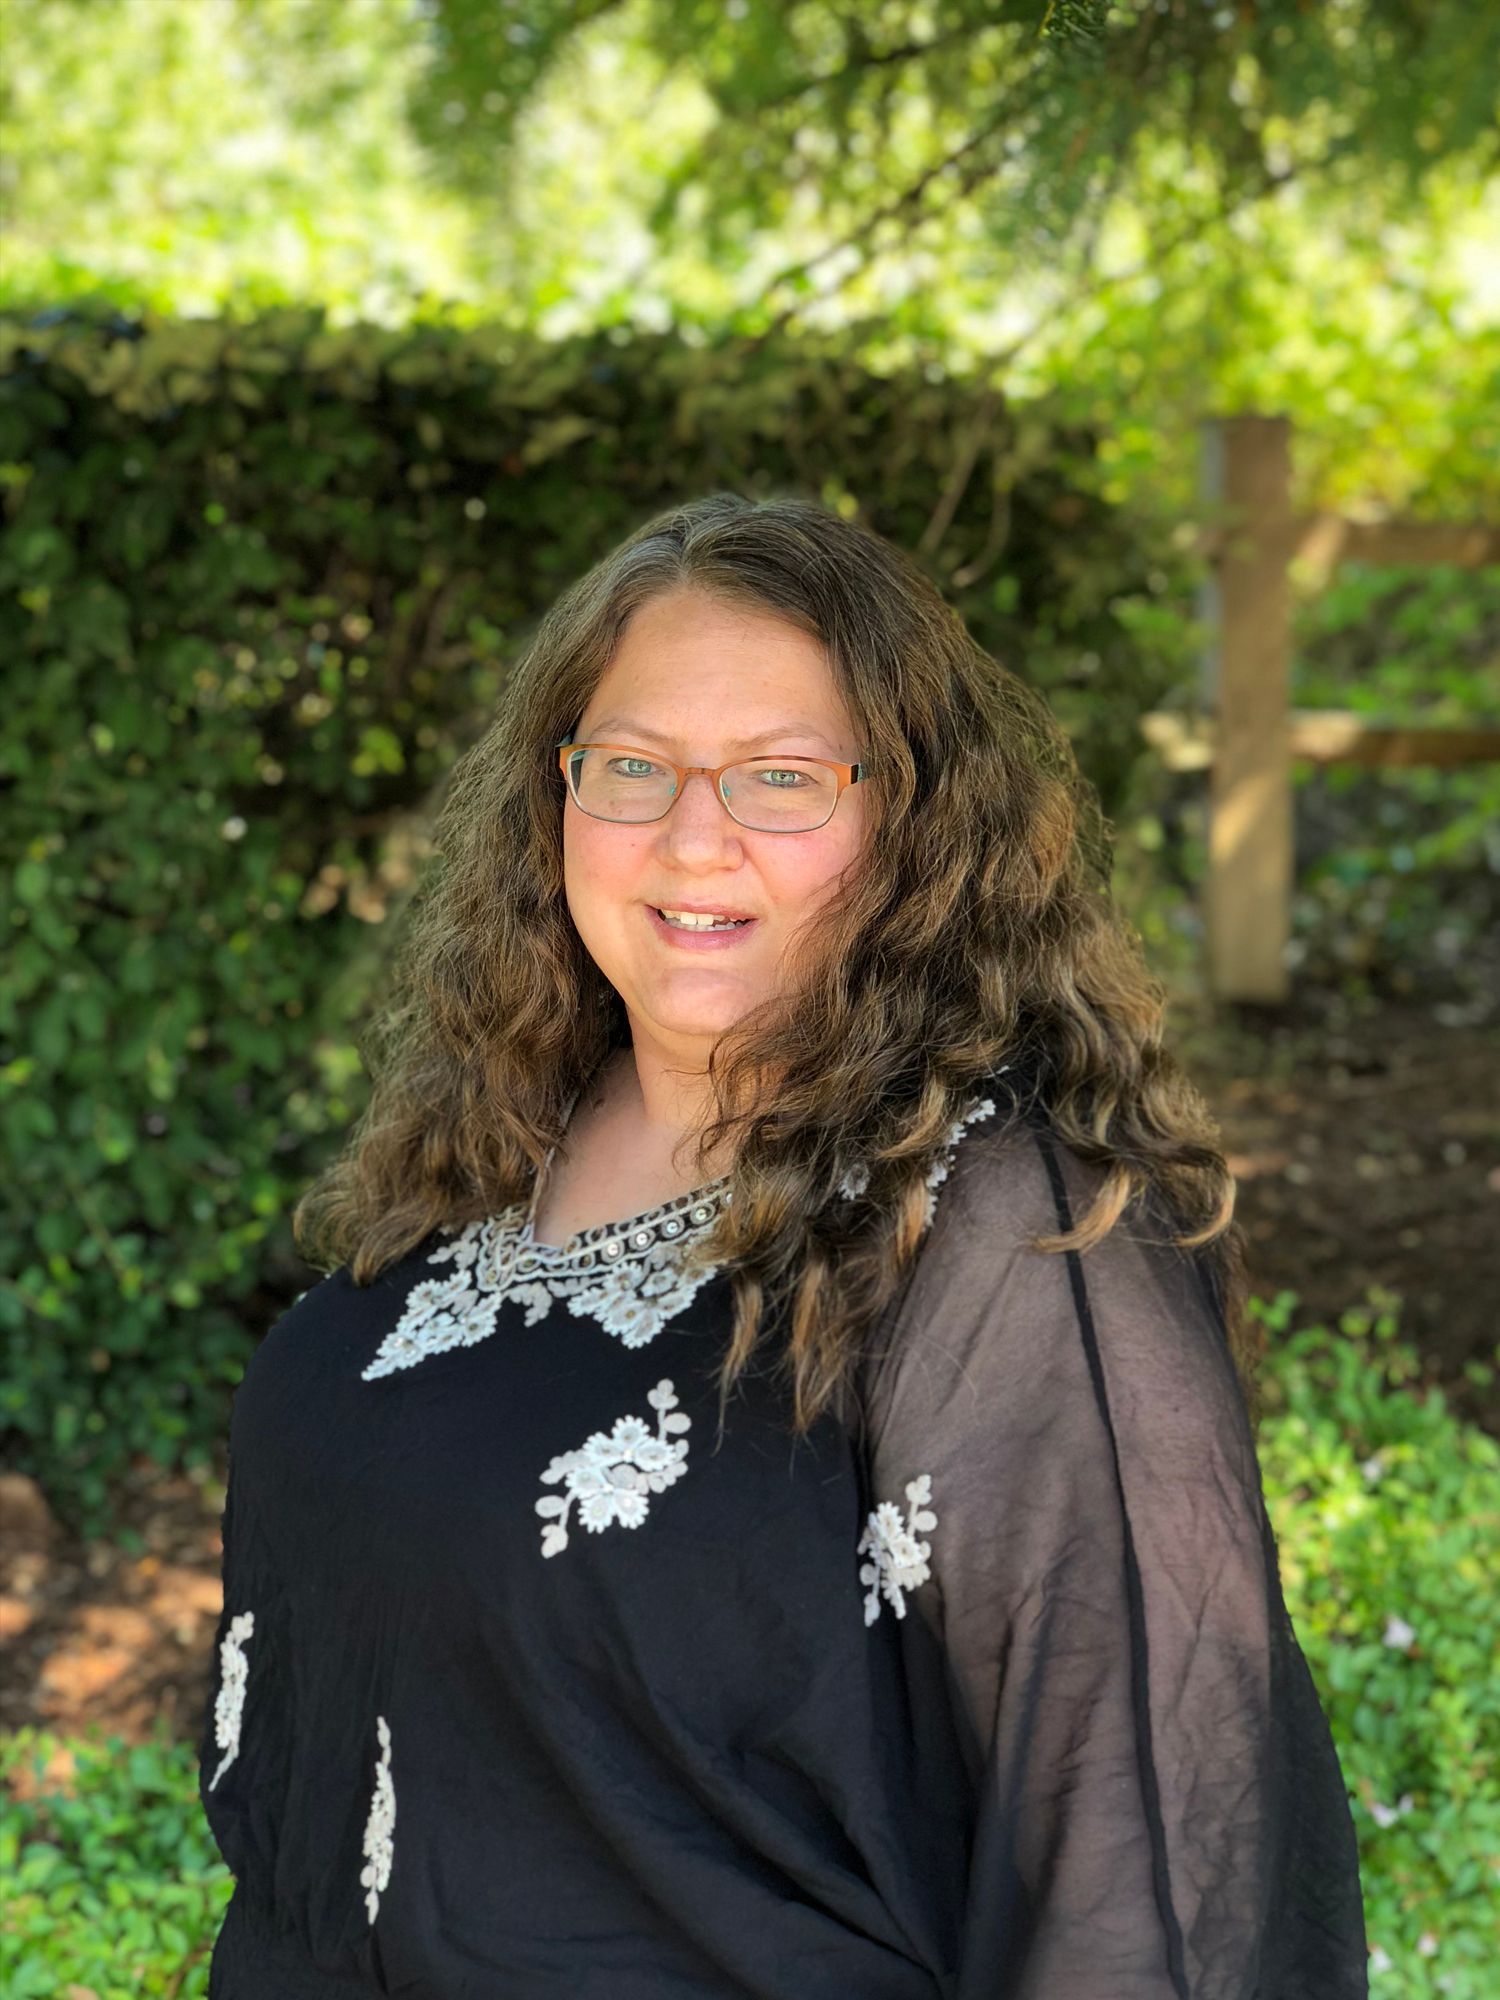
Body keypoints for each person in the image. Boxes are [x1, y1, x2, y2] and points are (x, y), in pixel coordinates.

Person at [198, 493, 1369, 1998]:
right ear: (554, 796)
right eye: (632, 767)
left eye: (783, 777)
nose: (696, 836)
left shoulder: (1006, 1228)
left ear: (915, 821)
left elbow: (1145, 1842)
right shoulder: (496, 1133)